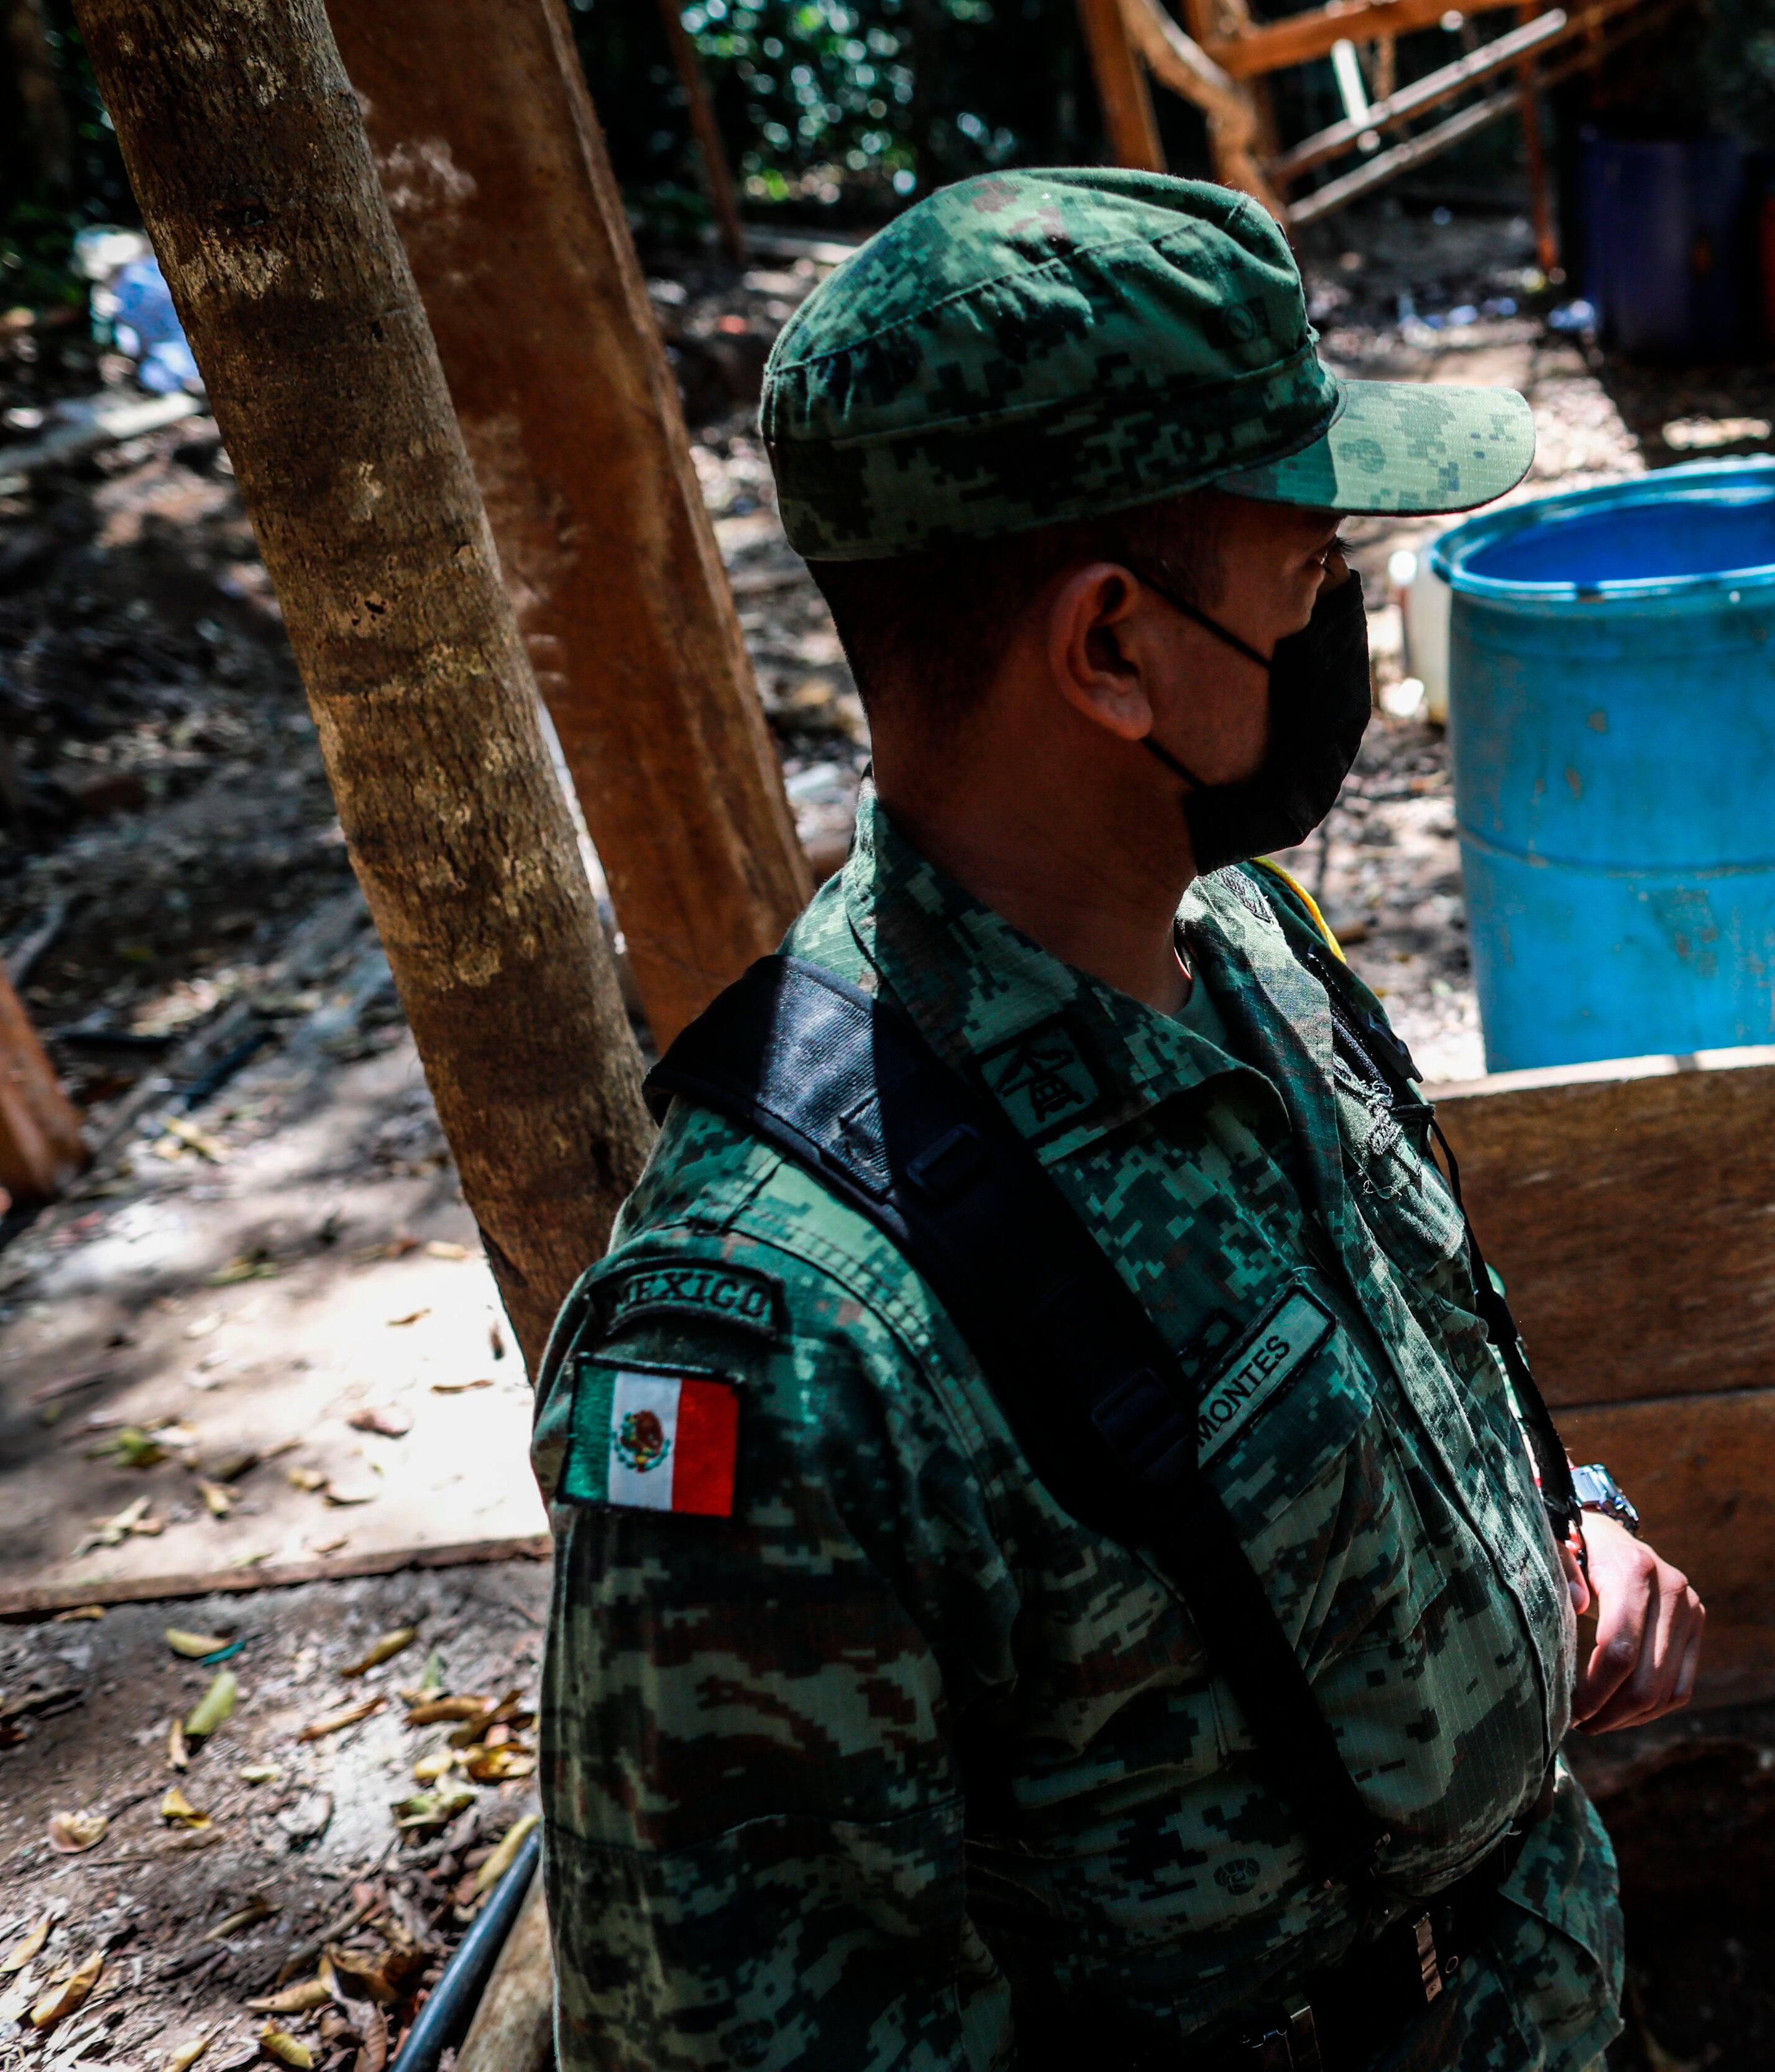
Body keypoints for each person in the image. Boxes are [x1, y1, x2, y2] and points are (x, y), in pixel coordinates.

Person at [529, 167, 1705, 2072]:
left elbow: (1367, 1375)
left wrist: (1553, 1533)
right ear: (1111, 650)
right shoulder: (783, 1339)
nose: (1348, 627)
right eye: (1313, 577)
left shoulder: (1227, 927)